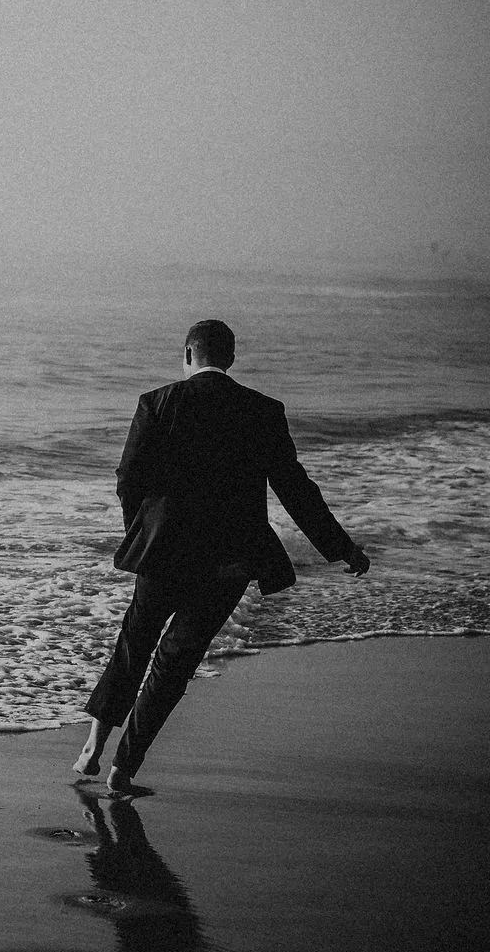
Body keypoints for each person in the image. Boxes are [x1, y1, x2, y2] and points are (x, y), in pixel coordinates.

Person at [76, 319, 371, 796]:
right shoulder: (263, 411)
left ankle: (93, 743)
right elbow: (296, 490)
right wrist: (340, 547)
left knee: (135, 642)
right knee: (175, 663)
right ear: (230, 359)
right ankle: (122, 771)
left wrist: (141, 530)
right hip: (230, 560)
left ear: (188, 355)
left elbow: (129, 477)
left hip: (164, 551)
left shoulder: (157, 403)